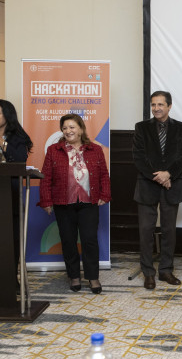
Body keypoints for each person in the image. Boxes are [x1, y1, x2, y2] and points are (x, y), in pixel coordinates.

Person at [38, 114, 110, 294]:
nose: (68, 131)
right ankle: (74, 276)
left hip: (89, 202)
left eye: (72, 127)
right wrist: (46, 200)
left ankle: (93, 277)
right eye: (64, 128)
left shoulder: (95, 149)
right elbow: (46, 177)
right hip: (63, 203)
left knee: (89, 240)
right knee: (68, 240)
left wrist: (105, 194)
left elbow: (103, 175)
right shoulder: (54, 150)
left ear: (81, 129)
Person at [133, 91, 182, 290]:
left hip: (172, 184)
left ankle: (166, 270)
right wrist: (158, 177)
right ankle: (148, 272)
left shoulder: (181, 128)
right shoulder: (141, 127)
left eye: (160, 104)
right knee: (146, 231)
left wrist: (168, 174)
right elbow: (138, 157)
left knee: (169, 230)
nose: (156, 108)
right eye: (153, 104)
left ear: (169, 106)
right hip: (147, 184)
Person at [0, 99, 34, 279]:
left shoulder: (18, 137)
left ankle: (11, 280)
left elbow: (19, 160)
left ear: (8, 115)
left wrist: (2, 142)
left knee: (11, 240)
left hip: (9, 195)